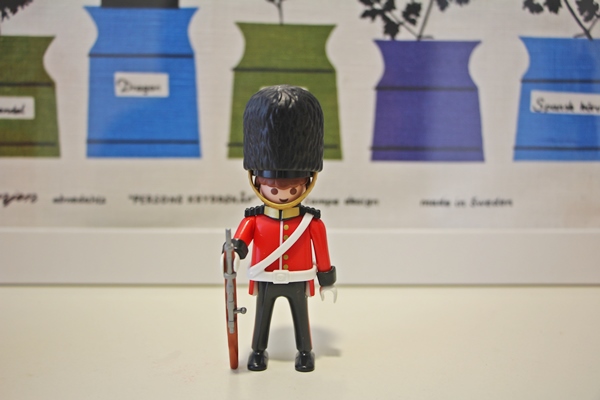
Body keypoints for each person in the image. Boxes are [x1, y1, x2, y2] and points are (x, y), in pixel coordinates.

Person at [229, 85, 337, 372]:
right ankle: (258, 351)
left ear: (306, 183)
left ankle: (305, 351)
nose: (283, 195)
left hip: (298, 278)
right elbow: (241, 242)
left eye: (292, 189)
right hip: (265, 277)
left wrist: (326, 278)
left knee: (301, 317)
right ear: (258, 182)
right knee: (261, 317)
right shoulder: (254, 220)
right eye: (275, 190)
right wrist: (234, 251)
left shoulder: (311, 222)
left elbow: (322, 252)